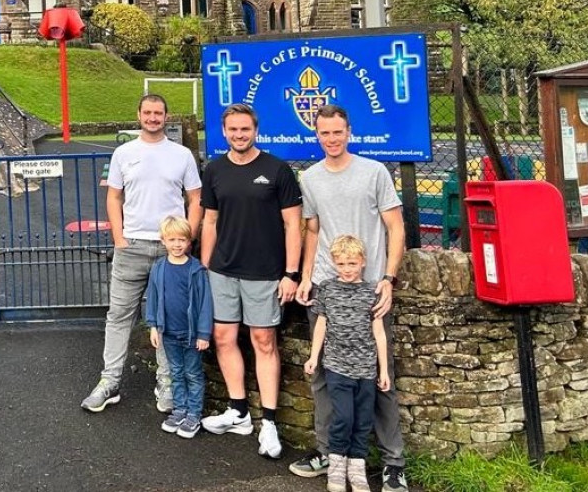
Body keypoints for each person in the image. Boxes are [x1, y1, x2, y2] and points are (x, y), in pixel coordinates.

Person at [292, 104, 408, 492]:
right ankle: (329, 452)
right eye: (324, 133)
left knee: (379, 375)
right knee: (325, 376)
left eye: (337, 132)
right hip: (328, 289)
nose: (331, 139)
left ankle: (393, 462)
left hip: (369, 290)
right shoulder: (310, 178)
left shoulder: (374, 172)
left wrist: (388, 279)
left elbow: (395, 227)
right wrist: (307, 277)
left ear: (349, 131)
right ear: (317, 135)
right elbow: (312, 231)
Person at [81, 94, 203, 413]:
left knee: (168, 318)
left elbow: (195, 199)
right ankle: (109, 382)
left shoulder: (181, 155)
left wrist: (186, 239)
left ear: (166, 116)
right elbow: (113, 197)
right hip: (131, 246)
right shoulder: (124, 153)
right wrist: (119, 238)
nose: (152, 117)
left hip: (170, 249)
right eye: (147, 112)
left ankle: (167, 383)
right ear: (138, 115)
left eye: (158, 113)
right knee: (119, 315)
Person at [198, 103, 302, 459]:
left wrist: (291, 273)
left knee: (264, 340)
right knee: (223, 337)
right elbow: (209, 222)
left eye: (245, 129)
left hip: (265, 272)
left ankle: (268, 422)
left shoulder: (277, 170)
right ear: (224, 132)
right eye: (233, 130)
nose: (239, 135)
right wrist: (206, 266)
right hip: (223, 270)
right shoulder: (214, 170)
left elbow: (293, 224)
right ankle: (239, 411)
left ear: (255, 130)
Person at [304, 235, 391, 492]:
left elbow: (379, 333)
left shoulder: (371, 291)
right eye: (341, 264)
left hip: (365, 369)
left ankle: (357, 467)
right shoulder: (328, 289)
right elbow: (321, 324)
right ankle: (336, 466)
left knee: (363, 421)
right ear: (333, 264)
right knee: (343, 417)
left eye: (352, 263)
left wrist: (383, 369)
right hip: (337, 367)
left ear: (363, 262)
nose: (347, 269)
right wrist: (313, 356)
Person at [144, 216, 213, 439]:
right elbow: (153, 298)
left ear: (189, 241)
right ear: (163, 241)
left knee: (192, 373)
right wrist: (153, 326)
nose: (177, 244)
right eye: (172, 239)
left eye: (181, 239)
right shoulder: (159, 268)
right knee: (176, 372)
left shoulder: (196, 270)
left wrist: (204, 333)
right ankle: (179, 409)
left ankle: (194, 413)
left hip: (192, 334)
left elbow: (205, 304)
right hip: (169, 332)